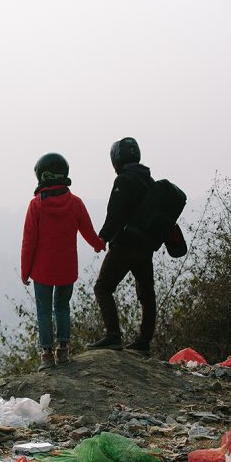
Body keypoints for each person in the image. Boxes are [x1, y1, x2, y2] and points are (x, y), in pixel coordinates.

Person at [21, 153, 106, 371]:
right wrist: (98, 244)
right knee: (62, 307)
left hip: (42, 270)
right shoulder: (75, 203)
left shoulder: (35, 206)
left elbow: (28, 242)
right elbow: (88, 231)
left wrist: (25, 272)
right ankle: (64, 350)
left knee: (44, 311)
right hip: (67, 268)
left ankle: (47, 355)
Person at [87, 137, 156, 354]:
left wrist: (103, 238)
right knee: (147, 295)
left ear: (117, 159)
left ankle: (113, 336)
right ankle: (143, 342)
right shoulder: (149, 181)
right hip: (145, 246)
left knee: (103, 287)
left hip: (125, 244)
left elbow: (114, 214)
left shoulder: (124, 181)